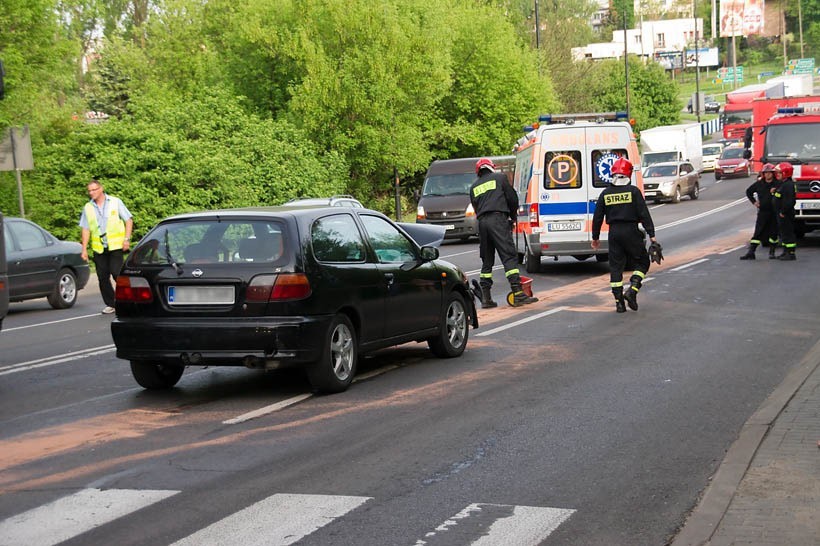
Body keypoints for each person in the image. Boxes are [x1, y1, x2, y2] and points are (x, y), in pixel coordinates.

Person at [591, 157, 657, 313]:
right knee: (643, 262)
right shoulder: (633, 191)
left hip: (614, 233)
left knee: (615, 268)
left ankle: (619, 303)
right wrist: (652, 235)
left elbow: (598, 217)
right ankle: (633, 290)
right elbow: (644, 214)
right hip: (631, 231)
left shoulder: (605, 194)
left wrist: (595, 238)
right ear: (628, 174)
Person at [469, 158, 537, 308]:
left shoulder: (474, 187)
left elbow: (475, 206)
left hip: (482, 223)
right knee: (509, 255)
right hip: (497, 220)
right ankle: (518, 293)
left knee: (487, 260)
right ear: (491, 167)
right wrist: (512, 217)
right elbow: (512, 199)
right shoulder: (500, 178)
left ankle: (486, 298)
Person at [79, 179, 133, 313]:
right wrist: (84, 249)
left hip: (115, 245)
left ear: (101, 189)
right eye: (89, 191)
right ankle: (111, 304)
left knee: (117, 273)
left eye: (94, 190)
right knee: (102, 276)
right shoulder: (88, 207)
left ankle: (130, 299)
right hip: (99, 247)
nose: (91, 193)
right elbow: (85, 229)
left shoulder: (115, 202)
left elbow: (128, 220)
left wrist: (126, 239)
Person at [740, 163, 779, 260]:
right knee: (758, 232)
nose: (768, 175)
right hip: (763, 212)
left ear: (773, 174)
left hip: (774, 212)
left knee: (773, 233)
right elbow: (749, 191)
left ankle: (772, 252)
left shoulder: (778, 184)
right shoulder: (759, 184)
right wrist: (754, 202)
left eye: (770, 173)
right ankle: (751, 252)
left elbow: (784, 194)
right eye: (766, 173)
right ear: (763, 174)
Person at [772, 162, 797, 261]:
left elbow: (790, 201)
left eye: (779, 173)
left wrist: (783, 211)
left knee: (788, 233)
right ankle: (785, 251)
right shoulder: (783, 184)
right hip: (781, 214)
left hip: (785, 214)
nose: (777, 174)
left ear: (785, 173)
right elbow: (780, 197)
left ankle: (791, 253)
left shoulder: (788, 185)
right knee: (783, 234)